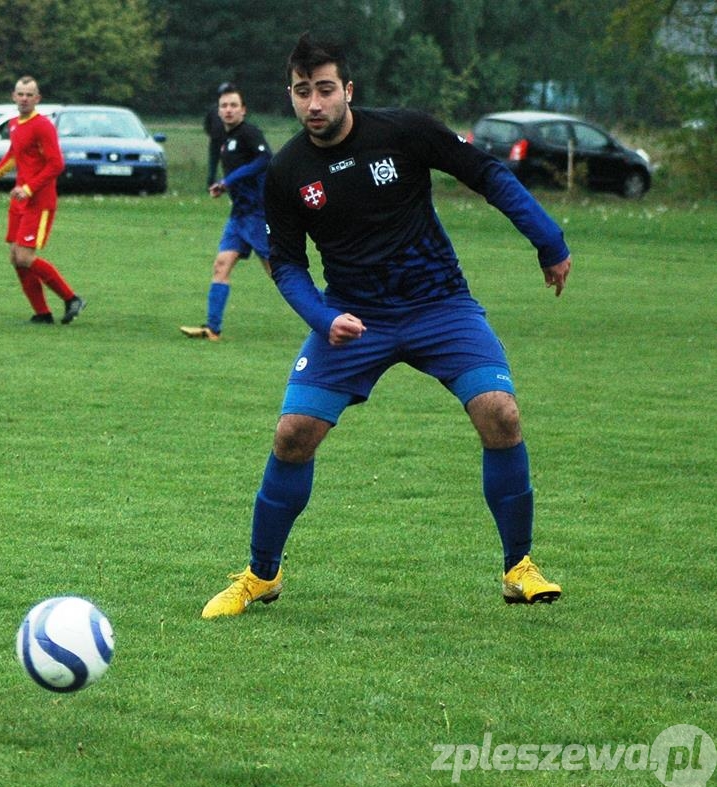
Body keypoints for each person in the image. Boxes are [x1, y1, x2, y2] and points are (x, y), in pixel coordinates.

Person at [201, 34, 571, 619]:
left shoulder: (404, 132)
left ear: (347, 89)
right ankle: (260, 575)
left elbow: (488, 175)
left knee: (500, 413)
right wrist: (325, 318)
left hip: (440, 307)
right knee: (292, 434)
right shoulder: (287, 171)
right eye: (302, 93)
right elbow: (288, 267)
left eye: (325, 90)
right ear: (291, 96)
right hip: (353, 317)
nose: (314, 104)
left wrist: (548, 240)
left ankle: (519, 568)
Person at [0, 76, 85, 325]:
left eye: (30, 95)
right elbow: (14, 155)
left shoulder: (43, 126)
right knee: (16, 257)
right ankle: (42, 313)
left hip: (39, 201)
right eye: (20, 94)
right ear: (13, 96)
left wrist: (29, 188)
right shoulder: (15, 123)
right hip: (20, 201)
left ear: (38, 99)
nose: (24, 98)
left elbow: (56, 164)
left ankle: (71, 298)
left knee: (25, 258)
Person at [180, 84, 272, 342]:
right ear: (219, 111)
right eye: (224, 106)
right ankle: (213, 329)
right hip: (239, 214)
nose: (228, 110)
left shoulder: (250, 133)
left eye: (233, 105)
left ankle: (330, 315)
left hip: (258, 214)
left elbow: (264, 160)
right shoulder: (225, 138)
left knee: (281, 275)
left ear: (243, 110)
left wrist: (228, 180)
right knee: (221, 265)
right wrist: (221, 184)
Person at [203, 81, 233, 188]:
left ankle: (228, 183)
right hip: (217, 141)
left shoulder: (231, 109)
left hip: (228, 141)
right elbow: (207, 125)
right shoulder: (214, 109)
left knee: (229, 164)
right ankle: (211, 183)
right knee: (214, 164)